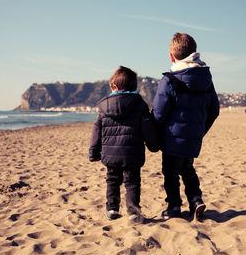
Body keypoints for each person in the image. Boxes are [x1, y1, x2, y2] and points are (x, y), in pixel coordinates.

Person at [152, 33, 220, 220]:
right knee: (188, 169)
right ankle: (196, 200)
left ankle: (174, 207)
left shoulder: (169, 81)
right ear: (195, 54)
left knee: (170, 173)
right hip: (193, 137)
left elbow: (158, 113)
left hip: (172, 138)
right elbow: (214, 110)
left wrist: (156, 133)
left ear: (172, 56)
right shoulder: (206, 80)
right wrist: (200, 130)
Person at [89, 66, 158, 223]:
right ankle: (133, 211)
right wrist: (153, 145)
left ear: (114, 86)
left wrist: (94, 152)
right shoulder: (140, 105)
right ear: (134, 87)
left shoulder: (103, 107)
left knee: (112, 180)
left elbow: (96, 131)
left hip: (110, 154)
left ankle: (112, 209)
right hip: (132, 153)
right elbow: (147, 127)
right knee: (132, 182)